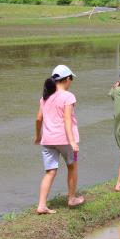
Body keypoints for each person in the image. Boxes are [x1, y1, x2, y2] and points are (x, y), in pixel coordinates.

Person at [34, 65, 85, 214]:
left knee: (50, 172)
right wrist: (73, 142)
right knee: (72, 166)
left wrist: (38, 136)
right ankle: (72, 199)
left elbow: (38, 119)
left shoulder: (44, 97)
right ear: (67, 79)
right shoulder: (68, 96)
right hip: (65, 140)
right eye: (71, 79)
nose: (71, 82)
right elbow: (67, 120)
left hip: (48, 140)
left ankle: (41, 205)